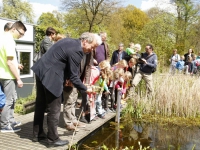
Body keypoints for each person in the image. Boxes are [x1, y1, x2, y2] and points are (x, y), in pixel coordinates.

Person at [31, 32, 101, 147]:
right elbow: (74, 76)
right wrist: (85, 89)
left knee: (40, 104)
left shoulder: (69, 41)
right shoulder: (78, 51)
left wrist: (67, 78)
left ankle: (37, 134)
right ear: (85, 41)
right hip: (51, 75)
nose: (92, 50)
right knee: (54, 108)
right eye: (92, 46)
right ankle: (52, 139)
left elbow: (63, 60)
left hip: (41, 69)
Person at [0, 21, 27, 133]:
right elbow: (9, 62)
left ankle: (10, 121)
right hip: (8, 75)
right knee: (9, 101)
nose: (21, 36)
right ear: (14, 29)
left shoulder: (2, 37)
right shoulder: (10, 41)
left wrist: (17, 64)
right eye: (21, 33)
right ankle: (4, 125)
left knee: (6, 99)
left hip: (1, 74)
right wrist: (18, 78)